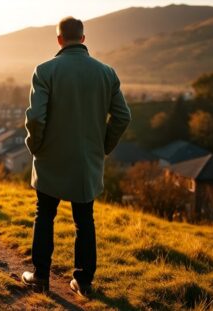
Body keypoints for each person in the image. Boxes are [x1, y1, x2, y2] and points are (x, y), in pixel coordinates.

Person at [21, 17, 131, 297]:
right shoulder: (107, 73)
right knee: (85, 221)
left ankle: (41, 277)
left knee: (44, 215)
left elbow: (35, 117)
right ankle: (83, 282)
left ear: (59, 40)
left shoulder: (45, 71)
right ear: (83, 39)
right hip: (86, 162)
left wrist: (36, 146)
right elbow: (122, 116)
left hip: (50, 159)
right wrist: (103, 146)